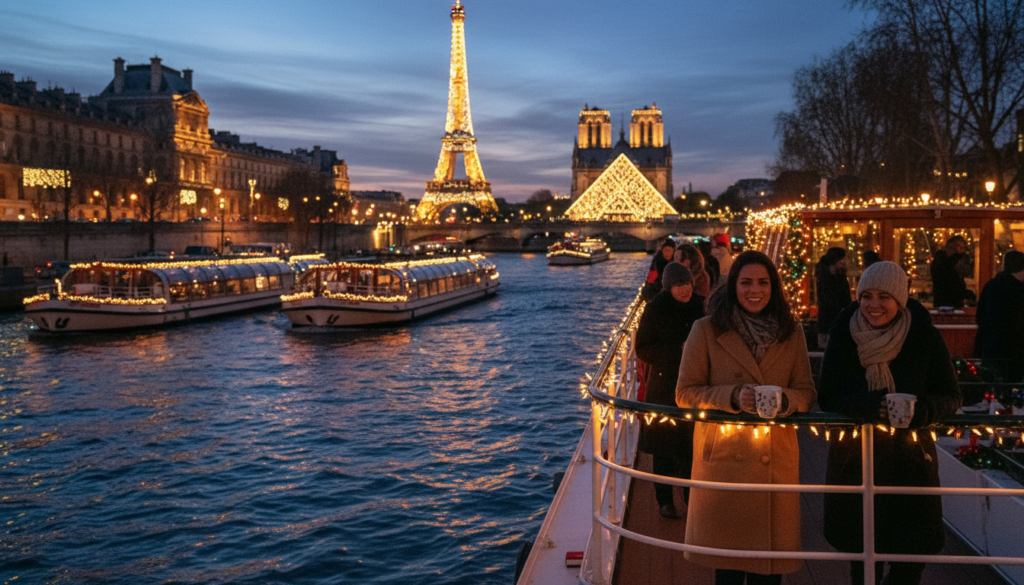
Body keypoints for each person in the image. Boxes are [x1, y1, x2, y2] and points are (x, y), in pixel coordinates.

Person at [675, 251, 817, 584]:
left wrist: (785, 400)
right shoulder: (706, 330)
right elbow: (684, 393)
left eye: (763, 282)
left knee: (769, 573)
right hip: (726, 460)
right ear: (733, 286)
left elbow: (807, 392)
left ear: (774, 287)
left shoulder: (791, 331)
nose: (755, 290)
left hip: (774, 461)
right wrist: (732, 396)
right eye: (747, 282)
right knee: (728, 570)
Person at [819, 261, 962, 585]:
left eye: (884, 296)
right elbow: (827, 395)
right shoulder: (844, 333)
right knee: (863, 561)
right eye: (866, 295)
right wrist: (872, 406)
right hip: (857, 461)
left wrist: (922, 410)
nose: (873, 304)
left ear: (900, 297)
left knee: (909, 562)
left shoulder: (924, 337)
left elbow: (951, 396)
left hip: (911, 463)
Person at [635, 263, 706, 519]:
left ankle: (691, 500)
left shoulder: (700, 306)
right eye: (679, 285)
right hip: (664, 385)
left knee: (690, 447)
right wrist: (679, 350)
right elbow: (642, 348)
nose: (685, 290)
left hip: (696, 385)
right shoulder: (655, 309)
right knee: (664, 448)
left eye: (687, 283)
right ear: (668, 287)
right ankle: (664, 501)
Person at [975, 250, 1024, 382]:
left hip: (991, 347)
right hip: (1015, 350)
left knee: (992, 384)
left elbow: (980, 316)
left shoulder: (992, 285)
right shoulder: (1019, 291)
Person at [815, 247, 852, 349]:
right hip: (829, 323)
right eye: (842, 259)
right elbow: (830, 301)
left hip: (835, 322)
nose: (844, 261)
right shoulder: (827, 277)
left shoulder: (838, 275)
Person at [930, 235, 975, 308]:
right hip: (949, 305)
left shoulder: (942, 263)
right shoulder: (947, 264)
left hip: (944, 305)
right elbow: (951, 287)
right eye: (960, 247)